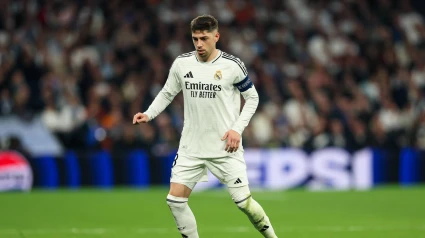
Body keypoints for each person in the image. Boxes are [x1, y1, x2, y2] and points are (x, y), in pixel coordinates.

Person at [133, 15, 278, 238]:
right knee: (175, 200)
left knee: (243, 203)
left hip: (225, 147)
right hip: (191, 146)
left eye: (204, 38)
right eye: (195, 39)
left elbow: (253, 98)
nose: (199, 44)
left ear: (216, 37)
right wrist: (148, 114)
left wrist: (236, 129)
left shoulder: (232, 66)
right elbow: (167, 92)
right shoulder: (182, 64)